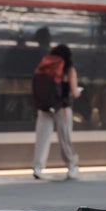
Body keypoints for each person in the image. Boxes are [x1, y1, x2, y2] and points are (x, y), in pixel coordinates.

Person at [32, 42, 81, 180]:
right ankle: (72, 166)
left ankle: (38, 167)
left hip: (44, 107)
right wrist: (78, 92)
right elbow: (74, 92)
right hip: (62, 108)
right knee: (65, 138)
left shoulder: (45, 66)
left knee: (42, 138)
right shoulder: (68, 69)